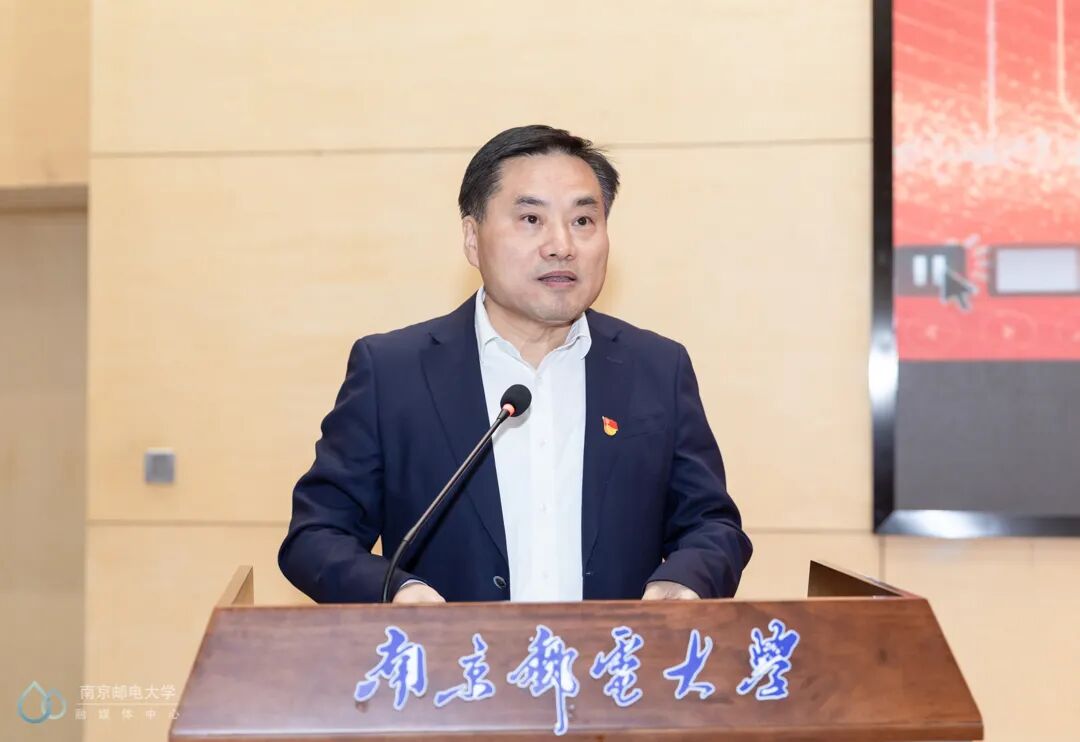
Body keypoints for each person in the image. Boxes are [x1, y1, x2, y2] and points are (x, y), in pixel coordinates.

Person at [279, 124, 752, 604]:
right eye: (531, 219)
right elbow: (317, 536)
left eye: (583, 220)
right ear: (472, 239)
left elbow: (711, 524)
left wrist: (685, 579)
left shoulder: (657, 368)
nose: (561, 245)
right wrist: (399, 592)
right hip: (453, 652)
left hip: (613, 651)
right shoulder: (393, 373)